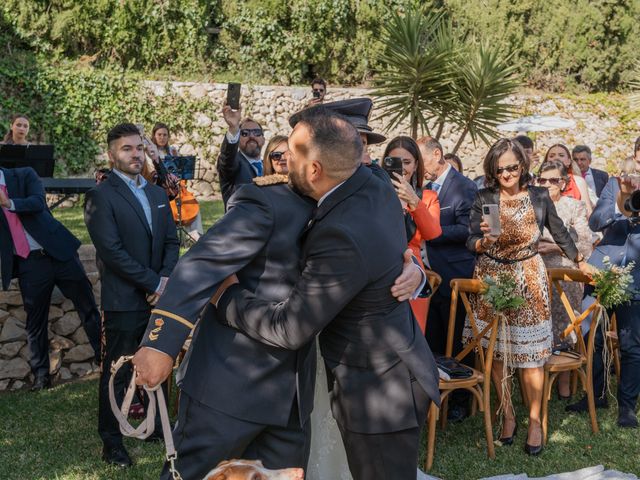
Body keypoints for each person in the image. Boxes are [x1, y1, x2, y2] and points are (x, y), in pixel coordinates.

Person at [132, 104, 425, 480]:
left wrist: (412, 269)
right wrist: (160, 343)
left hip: (296, 396)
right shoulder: (268, 201)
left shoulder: (374, 189)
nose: (286, 157)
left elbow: (388, 242)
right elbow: (202, 262)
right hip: (233, 383)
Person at [214, 108, 440, 480]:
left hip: (379, 390)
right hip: (384, 367)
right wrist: (408, 266)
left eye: (294, 155)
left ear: (315, 169)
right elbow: (392, 243)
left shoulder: (340, 233)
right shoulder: (375, 182)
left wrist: (226, 297)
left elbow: (290, 328)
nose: (285, 159)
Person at [466, 138, 592, 456]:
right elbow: (469, 239)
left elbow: (560, 231)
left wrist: (579, 259)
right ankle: (508, 414)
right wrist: (482, 242)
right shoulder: (485, 197)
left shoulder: (538, 196)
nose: (507, 173)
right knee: (496, 354)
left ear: (522, 165)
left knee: (532, 356)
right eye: (501, 168)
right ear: (492, 169)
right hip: (493, 278)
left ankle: (534, 421)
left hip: (529, 278)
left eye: (513, 166)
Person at [84, 123, 179, 468]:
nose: (135, 154)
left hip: (161, 295)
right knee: (118, 372)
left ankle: (157, 426)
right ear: (111, 155)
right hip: (124, 299)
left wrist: (166, 280)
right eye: (127, 149)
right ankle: (112, 442)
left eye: (139, 148)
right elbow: (111, 251)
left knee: (159, 360)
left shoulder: (156, 193)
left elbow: (171, 240)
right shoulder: (101, 196)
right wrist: (154, 284)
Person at [0, 166, 101, 391]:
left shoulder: (24, 174)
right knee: (35, 322)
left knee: (88, 308)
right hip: (29, 263)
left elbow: (37, 202)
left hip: (60, 253)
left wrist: (8, 203)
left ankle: (103, 357)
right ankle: (41, 376)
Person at [566, 161, 640, 428]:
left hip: (635, 276)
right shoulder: (613, 183)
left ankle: (627, 406)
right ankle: (595, 396)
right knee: (590, 338)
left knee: (631, 345)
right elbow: (596, 221)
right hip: (600, 272)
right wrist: (622, 198)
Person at [536, 160, 592, 398]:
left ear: (564, 182)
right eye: (542, 180)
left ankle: (564, 382)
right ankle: (536, 382)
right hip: (536, 272)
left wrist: (554, 247)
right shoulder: (532, 206)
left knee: (565, 327)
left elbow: (585, 244)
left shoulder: (574, 206)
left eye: (553, 180)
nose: (547, 184)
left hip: (566, 275)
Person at [384, 135, 441, 332]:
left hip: (412, 274)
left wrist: (413, 202)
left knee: (412, 336)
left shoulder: (427, 197)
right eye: (394, 162)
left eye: (407, 162)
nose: (402, 168)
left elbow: (433, 233)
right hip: (380, 271)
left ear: (417, 164)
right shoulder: (377, 194)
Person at [149, 122, 203, 240]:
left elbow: (180, 171)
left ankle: (195, 234)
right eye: (159, 135)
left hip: (175, 187)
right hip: (159, 188)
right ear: (154, 135)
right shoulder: (150, 152)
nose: (162, 138)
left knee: (192, 203)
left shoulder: (172, 151)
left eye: (165, 135)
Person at [217, 100, 266, 207]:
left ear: (263, 139)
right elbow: (227, 159)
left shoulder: (269, 166)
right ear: (238, 138)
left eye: (257, 133)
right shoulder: (234, 164)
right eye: (245, 133)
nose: (252, 136)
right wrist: (234, 128)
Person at [544, 144, 593, 215]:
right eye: (552, 156)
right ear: (546, 161)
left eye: (561, 155)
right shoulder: (539, 181)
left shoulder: (578, 181)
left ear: (569, 161)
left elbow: (588, 211)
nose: (556, 158)